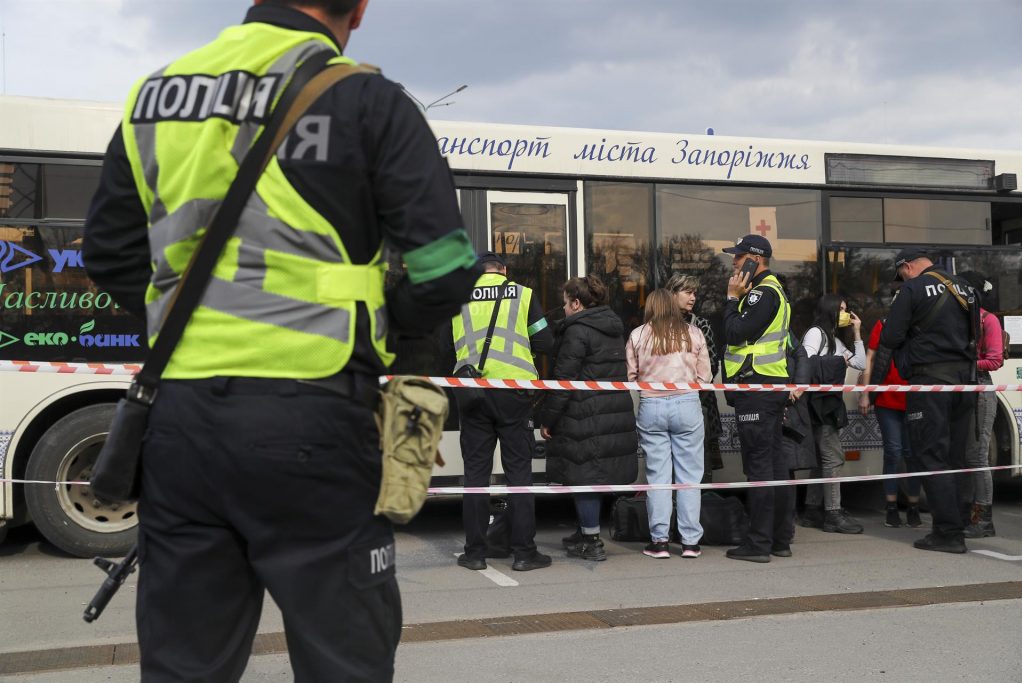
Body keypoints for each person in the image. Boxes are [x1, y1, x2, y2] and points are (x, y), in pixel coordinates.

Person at [81, 1, 482, 679]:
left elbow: (109, 251)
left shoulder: (155, 96)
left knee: (184, 667)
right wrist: (382, 326)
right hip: (315, 418)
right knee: (343, 659)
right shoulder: (368, 99)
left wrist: (195, 316)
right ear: (358, 9)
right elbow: (443, 269)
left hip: (178, 423)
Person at [452, 252, 554, 572]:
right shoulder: (523, 295)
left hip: (472, 395)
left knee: (476, 477)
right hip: (513, 394)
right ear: (504, 271)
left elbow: (446, 345)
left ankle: (475, 553)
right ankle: (524, 553)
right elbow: (545, 341)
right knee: (519, 475)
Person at [880, 248, 979, 554]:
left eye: (901, 274)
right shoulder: (965, 287)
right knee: (957, 455)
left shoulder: (912, 288)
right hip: (965, 381)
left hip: (930, 381)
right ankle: (961, 522)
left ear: (907, 267)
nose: (902, 279)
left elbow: (891, 336)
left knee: (930, 455)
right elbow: (976, 331)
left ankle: (947, 533)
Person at [539, 275, 638, 562]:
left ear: (577, 303)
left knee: (585, 477)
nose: (564, 309)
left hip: (585, 414)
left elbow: (565, 380)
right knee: (591, 474)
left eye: (565, 303)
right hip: (611, 410)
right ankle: (585, 531)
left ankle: (591, 541)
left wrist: (548, 419)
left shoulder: (577, 331)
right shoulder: (612, 327)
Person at [720, 234, 795, 563]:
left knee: (761, 468)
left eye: (737, 258)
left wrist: (730, 298)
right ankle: (779, 539)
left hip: (757, 388)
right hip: (770, 386)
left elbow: (735, 333)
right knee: (776, 466)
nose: (733, 263)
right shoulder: (774, 291)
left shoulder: (762, 293)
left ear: (754, 259)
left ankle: (759, 543)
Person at [626, 289, 711, 558]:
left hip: (651, 405)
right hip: (687, 403)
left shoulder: (638, 334)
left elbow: (631, 376)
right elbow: (705, 377)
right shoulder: (693, 333)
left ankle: (660, 542)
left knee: (658, 476)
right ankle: (690, 543)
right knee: (689, 476)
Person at [798, 295, 866, 534]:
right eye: (842, 310)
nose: (846, 314)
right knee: (833, 458)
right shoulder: (816, 334)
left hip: (827, 404)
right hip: (817, 405)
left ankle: (812, 510)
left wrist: (857, 332)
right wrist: (835, 363)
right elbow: (805, 362)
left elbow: (860, 363)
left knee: (821, 459)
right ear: (830, 311)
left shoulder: (835, 340)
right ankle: (833, 514)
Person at [859, 284, 923, 529]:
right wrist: (866, 393)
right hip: (886, 399)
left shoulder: (920, 327)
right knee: (894, 452)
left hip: (916, 398)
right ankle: (892, 507)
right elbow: (870, 357)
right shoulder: (883, 326)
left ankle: (914, 507)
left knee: (912, 453)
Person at [959, 271, 1005, 538]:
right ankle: (968, 515)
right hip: (962, 388)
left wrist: (963, 365)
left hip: (980, 388)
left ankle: (983, 519)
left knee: (977, 456)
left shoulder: (989, 321)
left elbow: (995, 360)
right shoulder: (961, 320)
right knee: (966, 456)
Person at [665, 273, 723, 480]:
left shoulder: (701, 325)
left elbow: (712, 365)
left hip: (700, 403)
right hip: (666, 403)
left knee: (700, 465)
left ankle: (700, 510)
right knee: (667, 463)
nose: (693, 298)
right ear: (672, 294)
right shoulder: (657, 324)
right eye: (688, 292)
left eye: (695, 293)